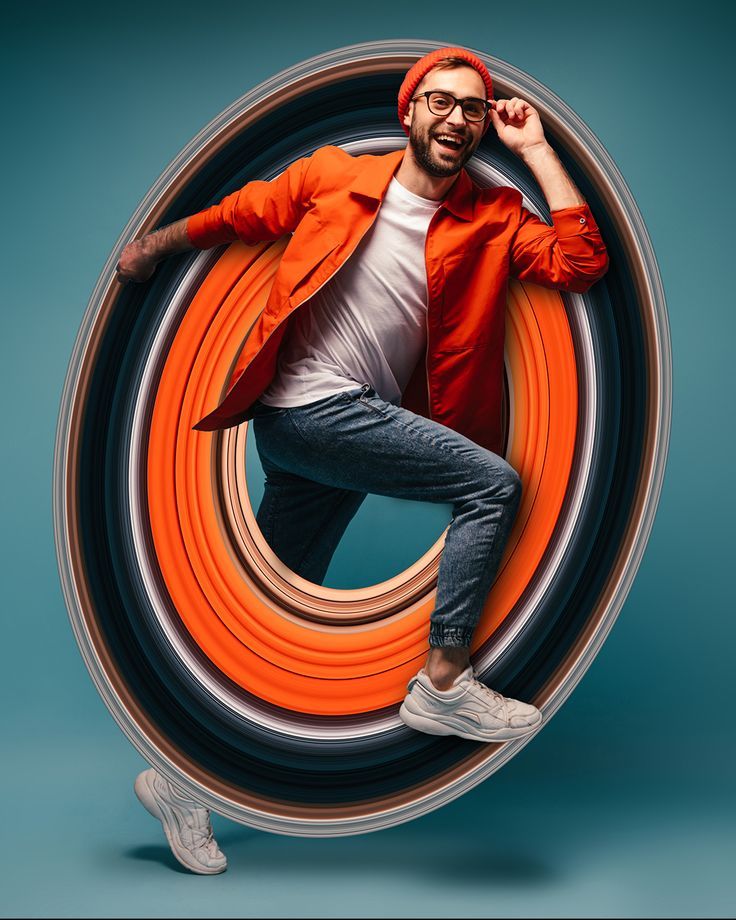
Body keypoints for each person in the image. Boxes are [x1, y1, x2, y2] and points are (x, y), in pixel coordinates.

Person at [118, 47, 609, 874]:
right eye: (443, 103)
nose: (458, 119)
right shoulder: (332, 178)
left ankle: (177, 784)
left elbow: (581, 263)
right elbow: (239, 213)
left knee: (259, 626)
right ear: (409, 111)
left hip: (344, 430)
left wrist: (535, 151)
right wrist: (153, 247)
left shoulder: (492, 217)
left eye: (474, 110)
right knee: (491, 484)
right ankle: (444, 680)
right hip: (305, 409)